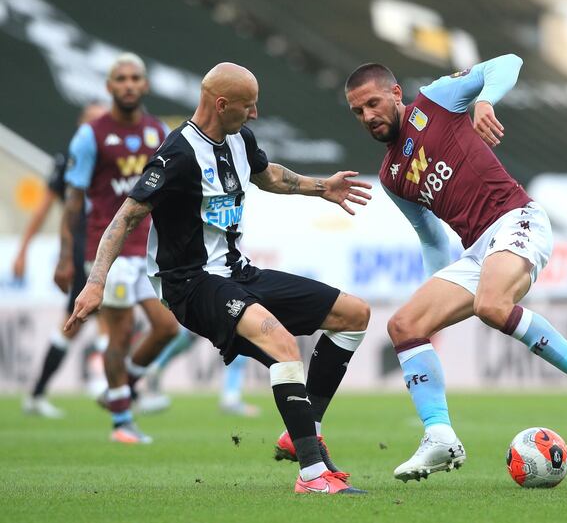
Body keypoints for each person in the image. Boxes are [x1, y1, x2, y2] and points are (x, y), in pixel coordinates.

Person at [66, 62, 372, 495]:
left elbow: (269, 177)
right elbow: (125, 218)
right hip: (190, 283)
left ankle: (304, 431)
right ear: (221, 103)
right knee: (283, 345)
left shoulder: (240, 139)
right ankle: (312, 475)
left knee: (354, 314)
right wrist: (96, 281)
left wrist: (322, 187)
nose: (255, 115)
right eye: (249, 106)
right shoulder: (177, 155)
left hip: (238, 273)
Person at [344, 54, 567, 482]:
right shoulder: (392, 176)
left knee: (492, 305)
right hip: (476, 250)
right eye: (357, 112)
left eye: (373, 104)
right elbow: (432, 238)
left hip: (517, 219)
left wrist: (485, 101)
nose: (367, 116)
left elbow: (509, 61)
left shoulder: (436, 101)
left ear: (395, 94)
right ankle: (440, 437)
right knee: (404, 326)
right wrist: (434, 300)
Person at [56, 53, 189, 444]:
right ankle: (121, 423)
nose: (129, 84)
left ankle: (120, 390)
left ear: (145, 85)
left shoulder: (157, 131)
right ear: (109, 87)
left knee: (167, 328)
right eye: (121, 78)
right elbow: (73, 200)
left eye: (135, 78)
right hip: (107, 251)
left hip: (149, 250)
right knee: (121, 332)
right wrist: (67, 256)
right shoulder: (91, 135)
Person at [17, 102, 110, 417]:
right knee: (81, 318)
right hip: (85, 247)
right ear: (81, 126)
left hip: (109, 247)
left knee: (105, 318)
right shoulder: (69, 162)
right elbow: (44, 209)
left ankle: (104, 385)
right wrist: (23, 251)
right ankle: (98, 383)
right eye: (93, 122)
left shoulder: (116, 159)